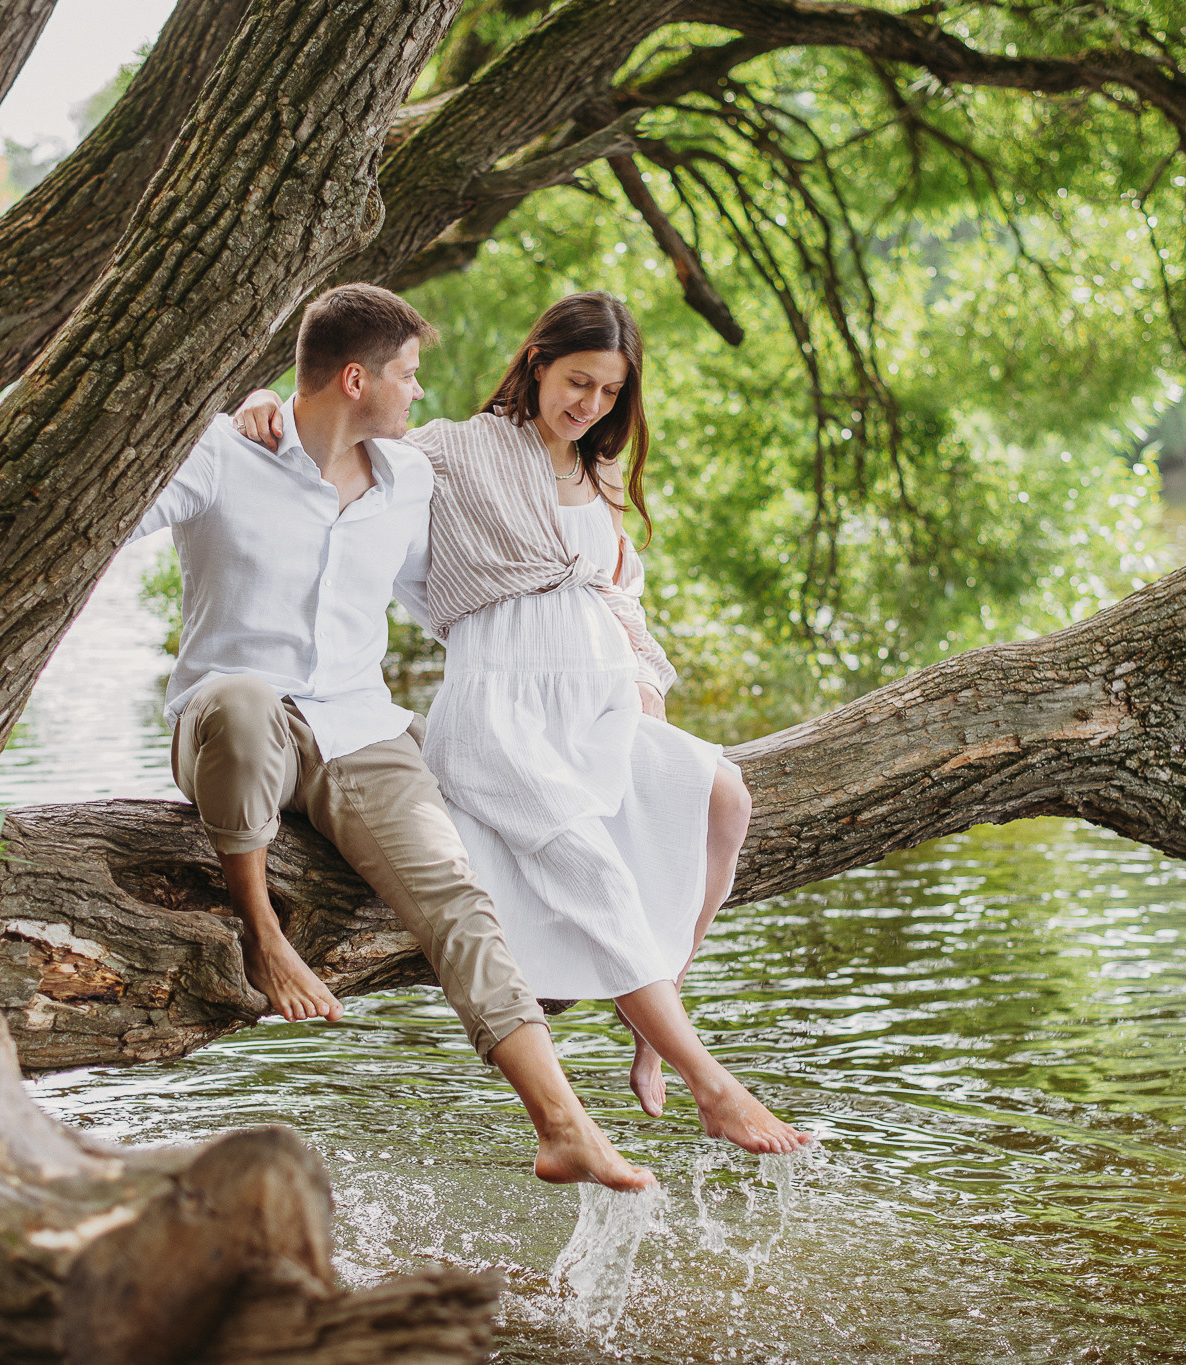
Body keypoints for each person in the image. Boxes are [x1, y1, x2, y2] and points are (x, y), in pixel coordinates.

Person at [233, 292, 811, 1156]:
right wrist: (267, 400)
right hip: (501, 709)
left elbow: (622, 596)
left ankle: (654, 1028)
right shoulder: (452, 452)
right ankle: (712, 1083)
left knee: (724, 799)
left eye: (611, 394)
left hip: (600, 704)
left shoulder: (599, 474)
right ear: (538, 362)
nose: (590, 406)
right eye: (579, 382)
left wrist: (647, 681)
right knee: (594, 869)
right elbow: (342, 430)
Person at [132, 282, 651, 1191]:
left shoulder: (410, 477)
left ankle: (564, 1124)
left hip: (359, 730)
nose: (420, 392)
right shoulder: (223, 455)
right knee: (249, 700)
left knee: (458, 891)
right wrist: (252, 398)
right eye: (408, 375)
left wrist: (587, 681)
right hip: (228, 722)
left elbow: (479, 582)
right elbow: (106, 519)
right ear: (355, 378)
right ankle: (262, 932)